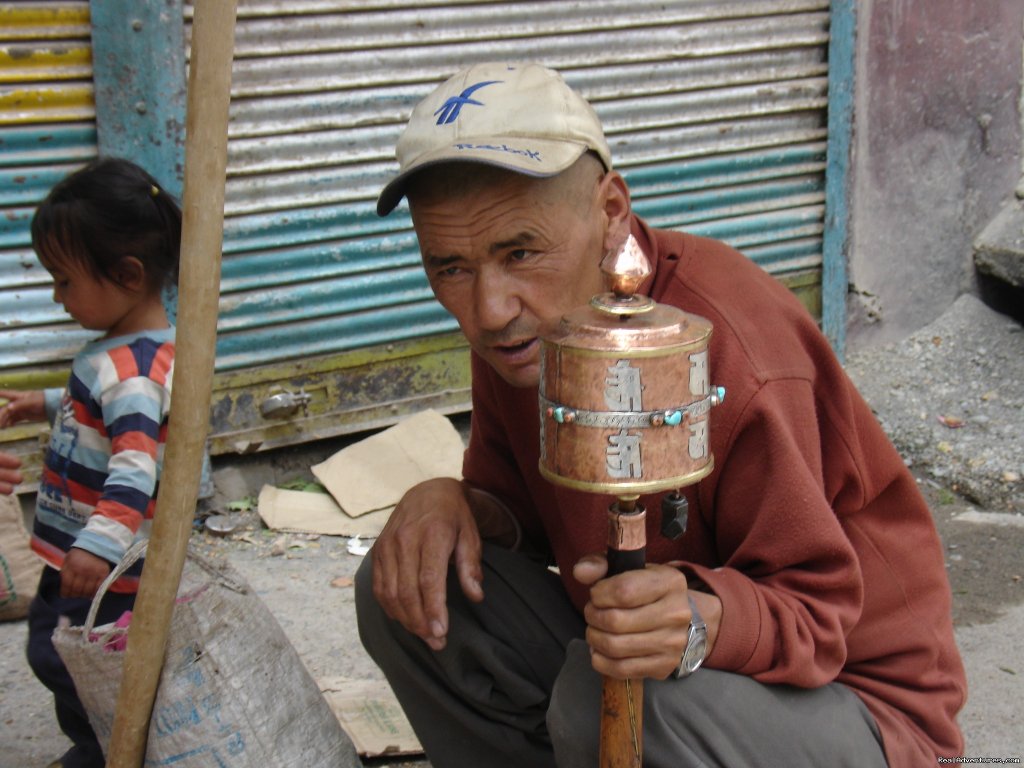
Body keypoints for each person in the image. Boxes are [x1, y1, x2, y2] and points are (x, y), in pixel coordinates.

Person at [354, 62, 966, 767]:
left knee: (610, 697)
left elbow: (821, 615)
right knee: (406, 582)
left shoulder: (734, 347)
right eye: (450, 268)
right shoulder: (526, 330)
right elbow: (517, 515)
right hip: (662, 665)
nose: (488, 310)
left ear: (610, 210)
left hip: (859, 710)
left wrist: (702, 623)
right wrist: (451, 502)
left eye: (520, 251)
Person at [0, 157, 184, 768]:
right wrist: (45, 403)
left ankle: (106, 749)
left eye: (63, 280)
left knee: (69, 660)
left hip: (102, 568)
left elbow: (136, 468)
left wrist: (98, 547)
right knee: (68, 655)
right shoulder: (132, 356)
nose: (57, 297)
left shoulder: (131, 374)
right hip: (89, 558)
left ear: (128, 274)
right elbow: (100, 408)